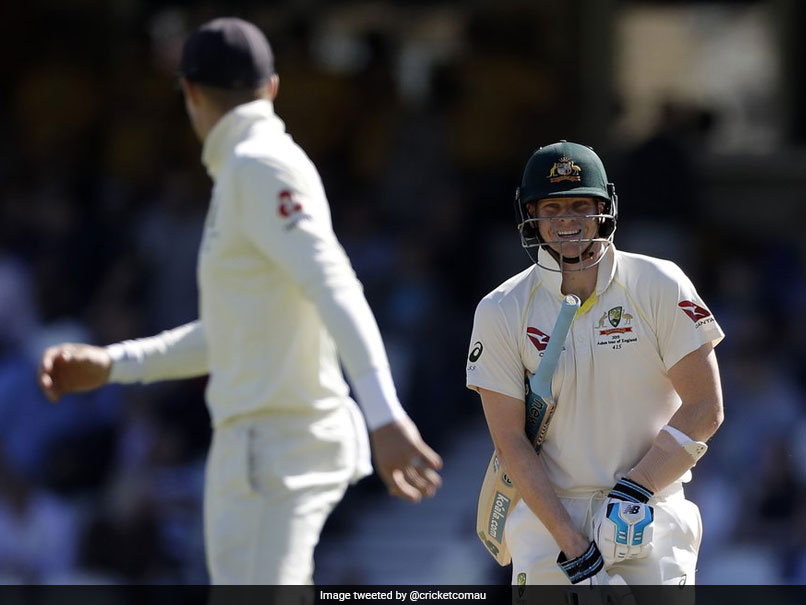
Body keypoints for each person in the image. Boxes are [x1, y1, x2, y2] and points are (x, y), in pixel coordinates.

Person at [37, 17, 442, 585]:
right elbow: (232, 333)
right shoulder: (245, 170)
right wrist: (114, 365)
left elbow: (335, 285)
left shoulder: (260, 165)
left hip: (278, 447)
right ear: (272, 88)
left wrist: (385, 415)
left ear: (191, 93)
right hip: (256, 447)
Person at [466, 141, 723, 585]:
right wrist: (573, 543)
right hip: (549, 525)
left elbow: (705, 407)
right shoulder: (502, 309)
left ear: (605, 208)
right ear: (531, 214)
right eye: (552, 207)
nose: (567, 219)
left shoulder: (659, 284)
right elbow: (510, 440)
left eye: (581, 205)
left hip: (650, 512)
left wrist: (635, 489)